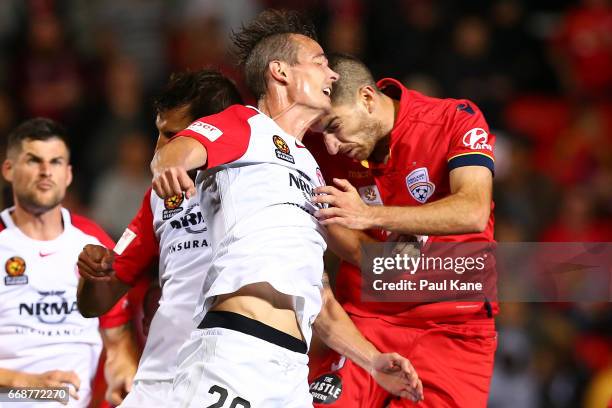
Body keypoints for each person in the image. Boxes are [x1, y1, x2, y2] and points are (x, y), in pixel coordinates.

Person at [150, 9, 423, 407]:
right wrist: (168, 167)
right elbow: (175, 153)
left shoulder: (311, 169)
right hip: (235, 352)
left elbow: (320, 298)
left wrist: (372, 360)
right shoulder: (245, 124)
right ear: (280, 72)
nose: (332, 76)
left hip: (291, 369)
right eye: (320, 64)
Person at [309, 54, 497, 407]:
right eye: (322, 133)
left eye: (334, 126)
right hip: (367, 320)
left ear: (366, 98)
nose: (330, 145)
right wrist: (384, 261)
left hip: (456, 327)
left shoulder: (452, 119)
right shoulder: (324, 152)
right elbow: (338, 230)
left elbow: (472, 209)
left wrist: (371, 216)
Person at [77, 69, 243, 407]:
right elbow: (95, 302)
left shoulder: (260, 187)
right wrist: (92, 274)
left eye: (172, 136)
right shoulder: (158, 199)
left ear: (211, 131)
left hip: (230, 372)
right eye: (159, 133)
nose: (159, 149)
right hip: (159, 376)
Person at [0, 118, 137, 407]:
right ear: (8, 170)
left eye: (56, 161)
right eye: (33, 160)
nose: (46, 171)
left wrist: (122, 373)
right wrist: (27, 383)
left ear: (69, 174)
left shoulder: (93, 241)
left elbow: (116, 339)